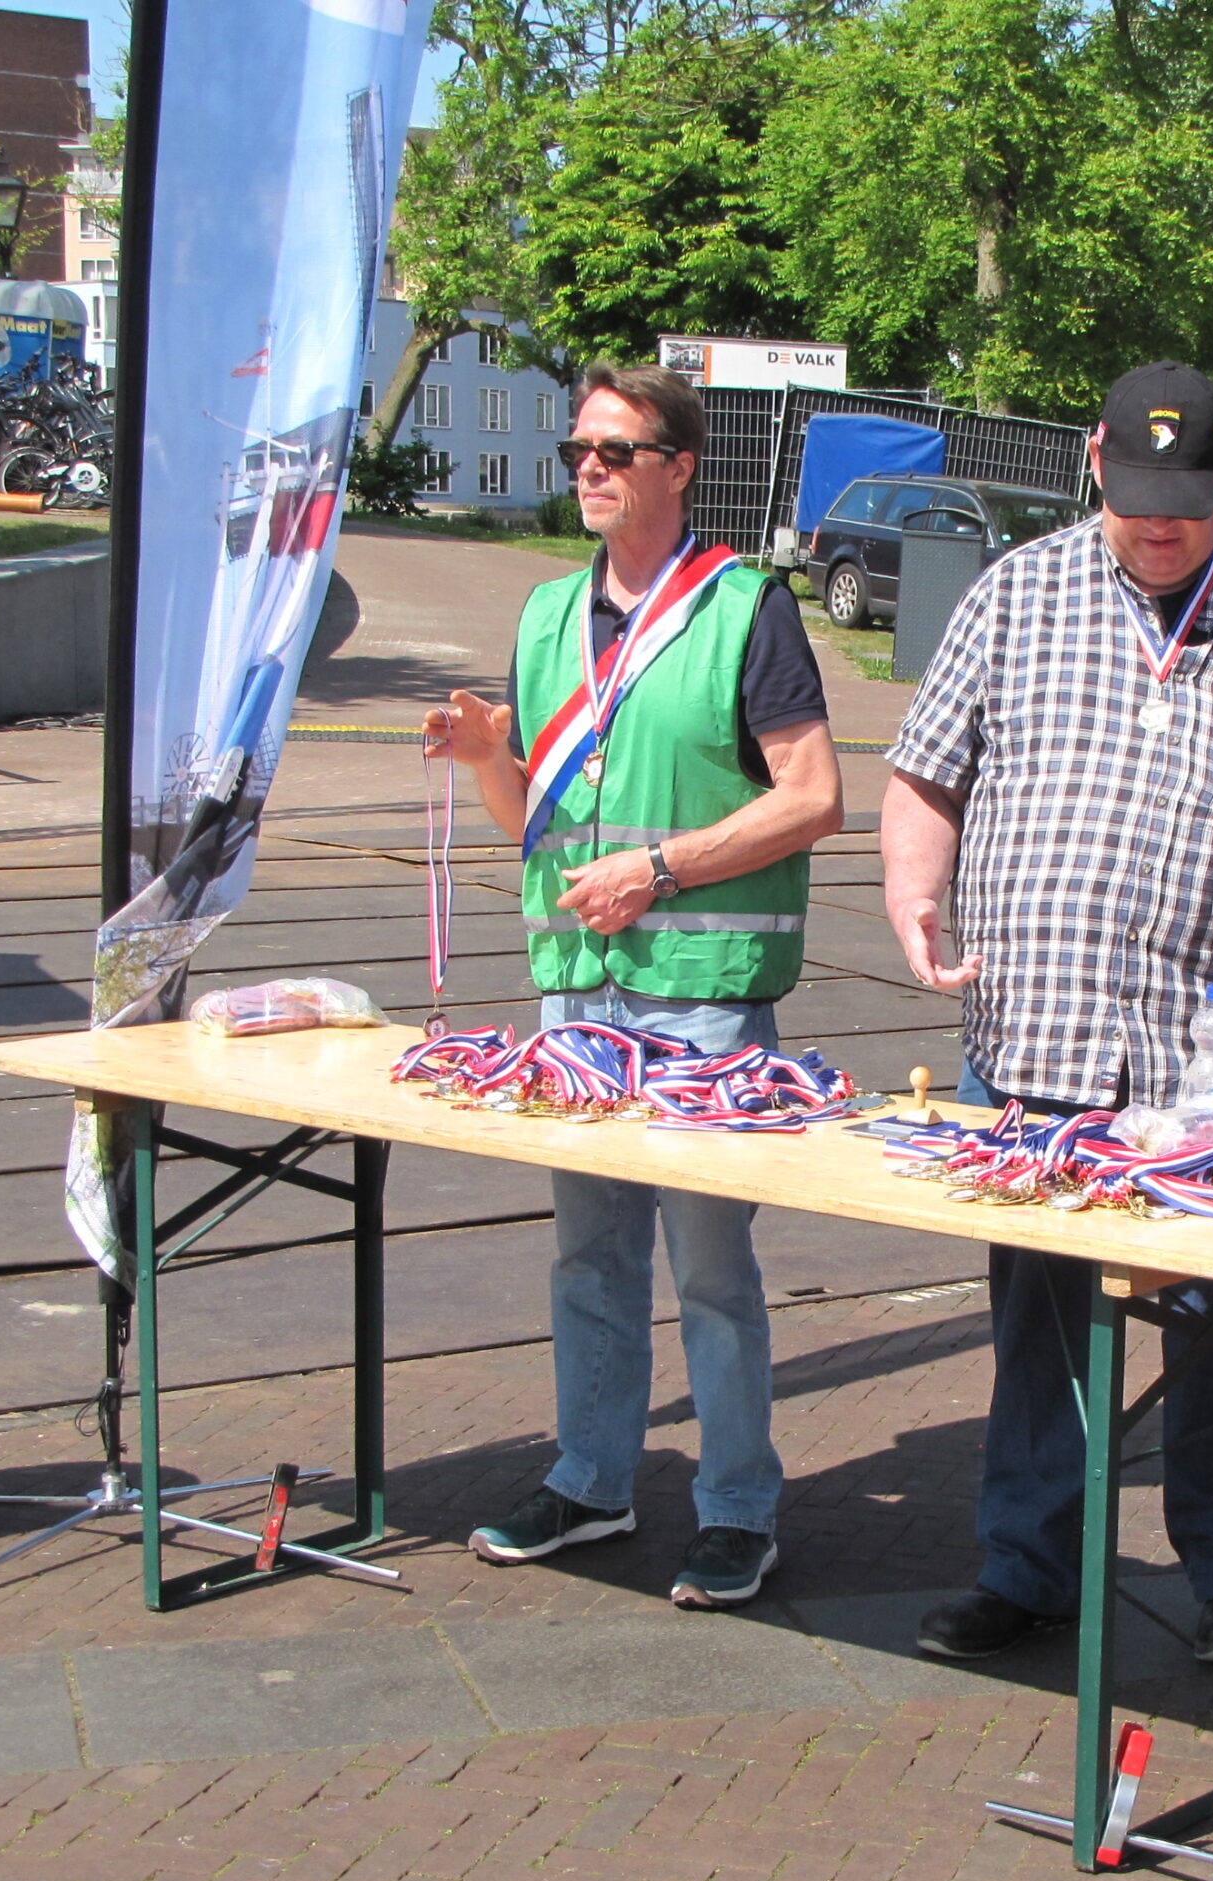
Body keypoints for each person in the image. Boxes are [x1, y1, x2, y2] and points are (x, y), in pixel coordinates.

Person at [883, 361, 1213, 1667]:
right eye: (1138, 497)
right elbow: (928, 771)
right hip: (1044, 1040)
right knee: (1041, 1324)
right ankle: (1028, 1567)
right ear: (1094, 459)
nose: (1159, 526)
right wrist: (915, 894)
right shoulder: (1016, 591)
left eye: (1189, 502)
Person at [426, 362, 843, 1609]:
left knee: (709, 1269)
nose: (590, 470)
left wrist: (659, 869)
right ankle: (591, 1480)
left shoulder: (743, 609)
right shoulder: (547, 616)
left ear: (678, 466)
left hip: (702, 989)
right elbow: (530, 824)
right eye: (577, 454)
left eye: (615, 450)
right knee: (586, 1258)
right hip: (577, 988)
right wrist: (492, 757)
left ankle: (735, 1508)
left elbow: (815, 796)